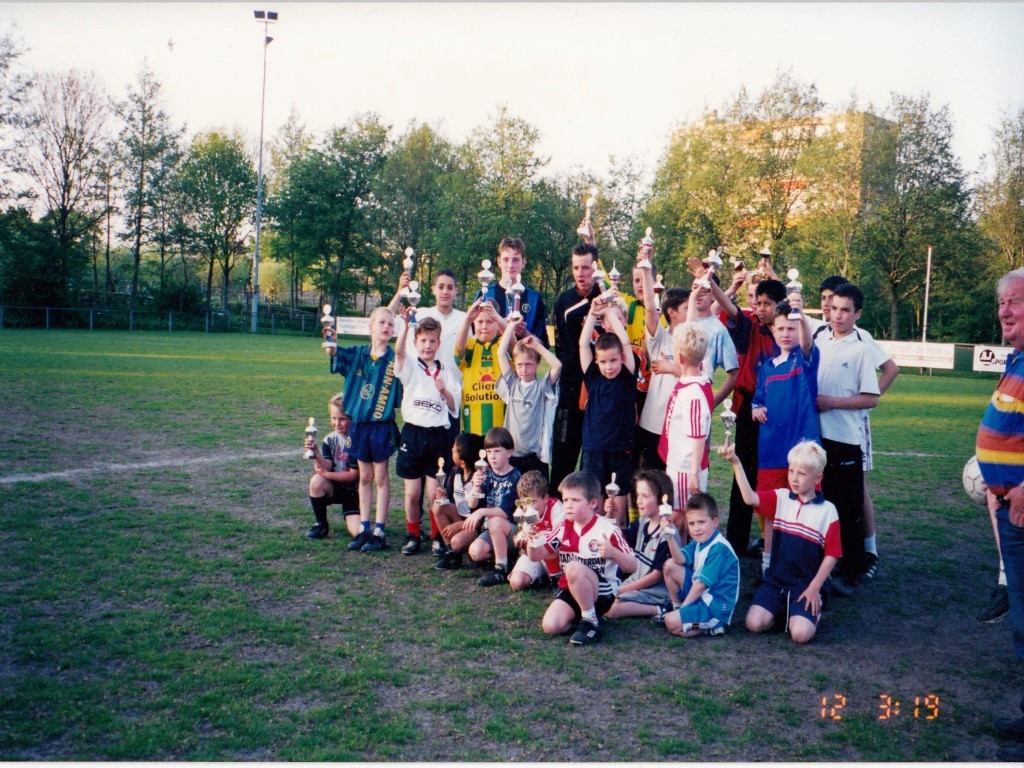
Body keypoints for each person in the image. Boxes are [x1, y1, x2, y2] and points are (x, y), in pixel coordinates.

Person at [812, 275, 899, 580]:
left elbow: (870, 398)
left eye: (845, 310)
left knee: (848, 507)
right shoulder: (819, 339)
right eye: (834, 308)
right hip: (817, 436)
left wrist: (833, 402)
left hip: (846, 438)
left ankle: (853, 568)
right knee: (822, 502)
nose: (837, 315)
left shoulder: (860, 347)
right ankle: (827, 563)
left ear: (857, 314)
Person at [723, 440, 841, 645]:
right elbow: (750, 499)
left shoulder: (827, 511)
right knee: (753, 624)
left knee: (800, 635)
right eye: (791, 471)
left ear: (818, 478)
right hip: (776, 581)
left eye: (802, 474)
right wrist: (736, 463)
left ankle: (805, 614)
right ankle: (785, 612)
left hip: (806, 585)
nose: (794, 478)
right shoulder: (781, 498)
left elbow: (832, 555)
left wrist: (814, 588)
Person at [976, 268, 1024, 761]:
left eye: (1015, 302)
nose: (1004, 312)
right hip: (1011, 508)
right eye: (1001, 303)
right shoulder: (1018, 360)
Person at [706, 275, 785, 559]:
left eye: (767, 304)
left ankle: (774, 544)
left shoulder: (786, 332)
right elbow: (729, 307)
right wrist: (711, 281)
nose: (760, 308)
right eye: (758, 303)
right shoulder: (750, 325)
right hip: (748, 406)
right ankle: (736, 542)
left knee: (774, 477)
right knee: (743, 472)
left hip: (777, 407)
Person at [751, 298, 820, 577]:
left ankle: (803, 570)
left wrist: (800, 315)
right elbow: (758, 398)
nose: (785, 334)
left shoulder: (803, 359)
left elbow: (807, 344)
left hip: (802, 451)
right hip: (770, 452)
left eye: (791, 328)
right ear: (773, 330)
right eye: (780, 328)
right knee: (771, 512)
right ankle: (768, 569)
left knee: (804, 511)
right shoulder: (767, 366)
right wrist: (756, 408)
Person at [526, 471, 637, 646]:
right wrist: (531, 540)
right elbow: (536, 556)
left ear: (593, 503)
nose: (568, 506)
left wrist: (614, 553)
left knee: (573, 567)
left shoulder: (608, 529)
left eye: (575, 500)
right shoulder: (563, 527)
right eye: (565, 500)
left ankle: (590, 620)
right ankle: (585, 618)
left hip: (601, 593)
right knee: (551, 626)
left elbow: (633, 566)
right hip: (572, 588)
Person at [327, 306, 402, 553]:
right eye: (381, 322)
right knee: (365, 477)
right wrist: (331, 340)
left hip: (381, 427)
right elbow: (334, 352)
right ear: (371, 327)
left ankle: (379, 530)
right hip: (358, 426)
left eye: (390, 324)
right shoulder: (358, 354)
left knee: (381, 477)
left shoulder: (395, 360)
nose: (386, 327)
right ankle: (364, 528)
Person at [394, 313, 463, 556]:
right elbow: (399, 352)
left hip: (438, 437)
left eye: (432, 341)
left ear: (438, 343)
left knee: (435, 494)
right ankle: (413, 534)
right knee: (412, 493)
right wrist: (405, 326)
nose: (427, 346)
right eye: (422, 340)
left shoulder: (447, 371)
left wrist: (444, 392)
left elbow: (454, 407)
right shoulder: (410, 365)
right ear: (415, 343)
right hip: (413, 434)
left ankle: (437, 536)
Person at [579, 301, 637, 526]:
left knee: (616, 516)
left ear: (622, 358)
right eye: (603, 362)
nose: (609, 366)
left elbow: (625, 342)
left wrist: (610, 313)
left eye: (614, 360)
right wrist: (593, 313)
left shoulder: (627, 377)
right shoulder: (593, 377)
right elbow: (583, 344)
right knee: (595, 512)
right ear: (596, 361)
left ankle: (618, 544)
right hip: (594, 450)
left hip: (620, 451)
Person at [551, 243, 603, 492]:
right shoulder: (564, 300)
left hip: (599, 386)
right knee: (563, 453)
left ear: (596, 267)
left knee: (593, 457)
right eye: (576, 268)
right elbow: (561, 345)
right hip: (571, 387)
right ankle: (556, 507)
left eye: (586, 267)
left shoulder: (605, 296)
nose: (580, 273)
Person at [658, 491, 740, 638]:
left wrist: (683, 611)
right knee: (669, 565)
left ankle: (712, 626)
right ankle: (678, 611)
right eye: (692, 523)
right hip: (702, 596)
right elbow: (679, 560)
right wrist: (669, 535)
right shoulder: (699, 541)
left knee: (671, 623)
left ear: (715, 522)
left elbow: (701, 585)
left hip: (715, 607)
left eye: (701, 522)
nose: (696, 528)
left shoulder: (719, 549)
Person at [604, 470, 675, 620]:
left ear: (661, 498)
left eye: (645, 496)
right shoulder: (644, 521)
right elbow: (622, 539)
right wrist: (610, 516)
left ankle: (661, 609)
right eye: (638, 495)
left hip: (655, 590)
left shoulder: (667, 533)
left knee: (611, 609)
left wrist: (622, 590)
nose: (639, 501)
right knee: (602, 600)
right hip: (637, 580)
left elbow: (655, 576)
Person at [496, 320, 562, 478]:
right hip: (512, 454)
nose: (523, 369)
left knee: (535, 492)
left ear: (537, 364)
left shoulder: (542, 386)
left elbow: (557, 366)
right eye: (519, 365)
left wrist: (537, 346)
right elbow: (500, 354)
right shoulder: (512, 383)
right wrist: (510, 326)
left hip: (534, 457)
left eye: (528, 364)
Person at [661, 322, 713, 510]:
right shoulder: (692, 380)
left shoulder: (693, 393)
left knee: (682, 516)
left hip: (685, 468)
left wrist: (693, 474)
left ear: (680, 357)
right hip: (678, 462)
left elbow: (698, 436)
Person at [466, 426, 522, 586]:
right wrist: (476, 486)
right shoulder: (487, 473)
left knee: (495, 521)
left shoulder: (515, 477)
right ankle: (507, 559)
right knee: (475, 552)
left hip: (512, 530)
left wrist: (480, 512)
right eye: (489, 451)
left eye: (497, 451)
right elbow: (471, 504)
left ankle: (501, 569)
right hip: (491, 529)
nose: (492, 456)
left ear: (509, 452)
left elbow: (505, 512)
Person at [304, 394, 360, 541]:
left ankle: (356, 518)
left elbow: (353, 475)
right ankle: (321, 524)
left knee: (358, 533)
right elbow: (328, 465)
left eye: (342, 419)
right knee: (316, 481)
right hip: (336, 488)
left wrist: (327, 474)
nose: (337, 423)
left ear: (352, 418)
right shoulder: (329, 439)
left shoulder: (357, 440)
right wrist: (316, 453)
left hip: (354, 492)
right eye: (333, 418)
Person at [455, 298, 509, 437]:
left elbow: (512, 339)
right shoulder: (471, 345)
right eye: (480, 322)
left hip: (500, 429)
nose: (484, 326)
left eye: (490, 321)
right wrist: (468, 318)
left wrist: (497, 317)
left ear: (497, 323)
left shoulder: (502, 345)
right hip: (472, 429)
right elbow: (460, 347)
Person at [482, 236, 549, 346]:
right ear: (499, 261)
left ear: (524, 262)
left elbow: (543, 345)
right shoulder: (484, 294)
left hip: (523, 357)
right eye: (506, 259)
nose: (510, 265)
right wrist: (503, 327)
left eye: (516, 260)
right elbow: (474, 336)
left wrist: (524, 333)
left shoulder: (534, 299)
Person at [434, 432, 485, 570]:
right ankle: (451, 553)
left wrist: (460, 525)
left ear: (463, 462)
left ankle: (459, 548)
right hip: (460, 518)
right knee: (438, 506)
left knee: (457, 542)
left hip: (475, 526)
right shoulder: (455, 472)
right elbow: (449, 498)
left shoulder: (479, 479)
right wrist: (442, 494)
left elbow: (481, 517)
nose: (451, 449)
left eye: (455, 450)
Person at [508, 470, 565, 591]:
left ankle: (556, 578)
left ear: (545, 498)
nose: (528, 507)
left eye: (533, 501)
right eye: (524, 503)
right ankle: (542, 576)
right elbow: (522, 532)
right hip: (534, 555)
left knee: (543, 537)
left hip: (557, 556)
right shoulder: (523, 512)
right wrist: (521, 538)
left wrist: (540, 537)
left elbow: (561, 535)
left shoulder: (556, 507)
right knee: (516, 583)